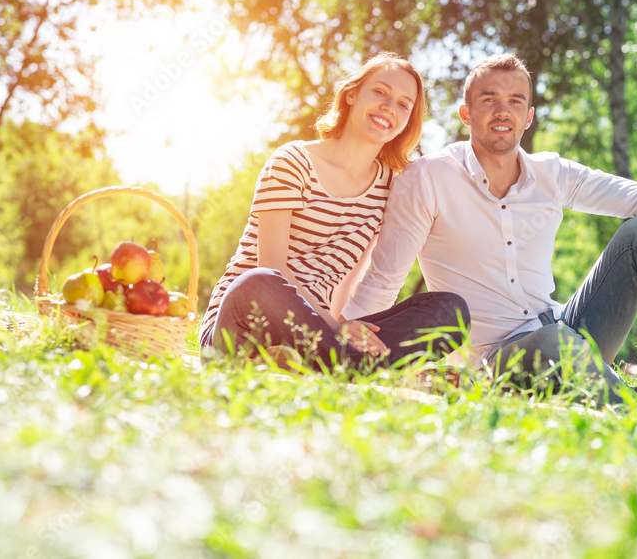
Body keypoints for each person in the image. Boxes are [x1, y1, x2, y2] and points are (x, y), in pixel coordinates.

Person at [343, 53, 637, 404]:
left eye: (515, 101)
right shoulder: (428, 178)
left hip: (567, 327)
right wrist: (344, 342)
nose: (502, 111)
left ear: (528, 116)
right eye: (488, 99)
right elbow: (384, 279)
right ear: (466, 114)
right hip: (498, 359)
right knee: (551, 341)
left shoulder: (552, 174)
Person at [199, 53, 469, 370]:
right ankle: (346, 366)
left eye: (403, 105)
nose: (389, 107)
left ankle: (332, 362)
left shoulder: (387, 188)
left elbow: (348, 280)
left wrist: (347, 328)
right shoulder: (292, 161)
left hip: (316, 333)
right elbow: (271, 265)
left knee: (449, 310)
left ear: (407, 122)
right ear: (352, 94)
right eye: (380, 92)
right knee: (257, 283)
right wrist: (334, 328)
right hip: (244, 319)